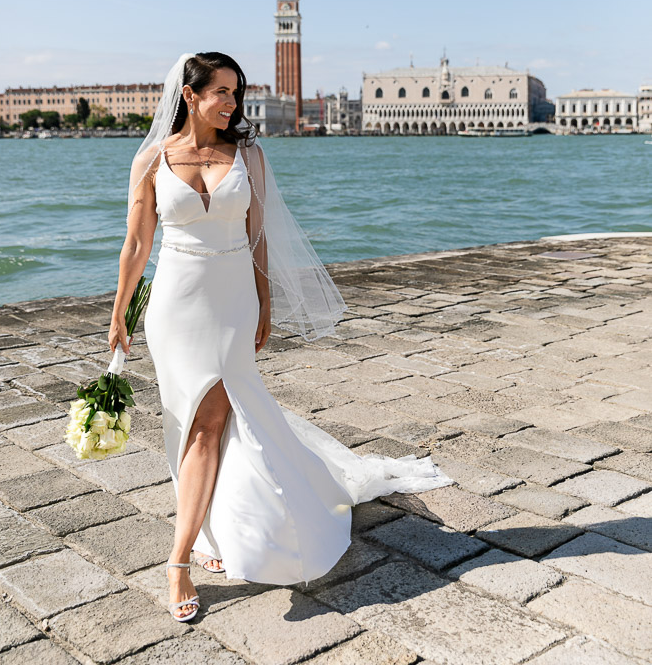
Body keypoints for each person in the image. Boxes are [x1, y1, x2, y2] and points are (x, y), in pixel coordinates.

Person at [109, 51, 450, 622]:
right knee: (191, 421)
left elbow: (258, 235)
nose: (232, 103)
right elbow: (136, 247)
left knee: (213, 418)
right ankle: (203, 537)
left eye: (236, 93)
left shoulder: (249, 155)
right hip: (174, 306)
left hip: (234, 301)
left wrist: (265, 301)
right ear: (189, 95)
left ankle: (179, 558)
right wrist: (118, 312)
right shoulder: (150, 160)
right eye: (221, 92)